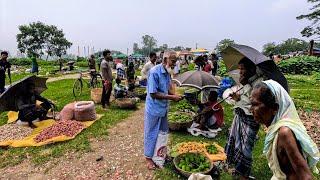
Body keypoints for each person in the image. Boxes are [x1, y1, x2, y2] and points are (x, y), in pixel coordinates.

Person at [251, 80, 319, 180]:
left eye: (255, 104)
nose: (251, 109)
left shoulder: (284, 133)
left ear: (274, 108)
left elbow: (306, 176)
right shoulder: (275, 130)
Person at [224, 57, 263, 179]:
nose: (240, 72)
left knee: (246, 147)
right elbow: (243, 99)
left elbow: (255, 102)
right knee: (237, 142)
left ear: (251, 69)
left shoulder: (259, 83)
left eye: (243, 69)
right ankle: (238, 168)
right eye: (239, 69)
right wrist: (237, 97)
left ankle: (244, 174)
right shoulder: (247, 80)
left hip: (250, 118)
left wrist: (245, 86)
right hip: (240, 114)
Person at [144, 54, 182, 170]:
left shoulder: (167, 72)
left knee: (163, 132)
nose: (174, 64)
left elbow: (167, 90)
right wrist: (172, 98)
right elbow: (153, 94)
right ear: (165, 60)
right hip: (154, 109)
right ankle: (148, 158)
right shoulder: (154, 72)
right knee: (151, 133)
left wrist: (175, 95)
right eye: (173, 61)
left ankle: (159, 154)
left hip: (163, 108)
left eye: (175, 61)